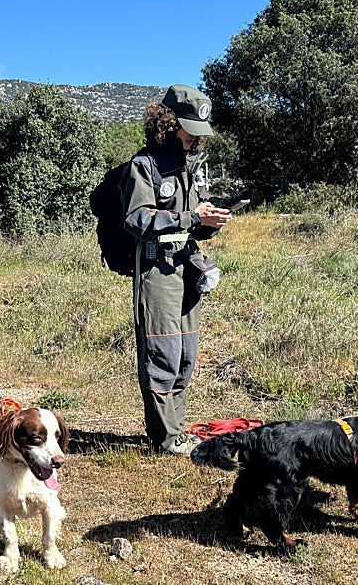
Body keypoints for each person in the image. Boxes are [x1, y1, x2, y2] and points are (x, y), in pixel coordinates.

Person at [121, 84, 232, 456]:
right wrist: (190, 217)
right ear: (168, 123)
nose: (193, 138)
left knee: (186, 353)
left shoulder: (188, 167)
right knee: (163, 352)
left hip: (187, 267)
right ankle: (165, 438)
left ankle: (177, 432)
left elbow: (192, 221)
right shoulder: (144, 166)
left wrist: (208, 222)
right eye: (188, 129)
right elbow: (137, 219)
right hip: (157, 270)